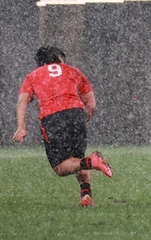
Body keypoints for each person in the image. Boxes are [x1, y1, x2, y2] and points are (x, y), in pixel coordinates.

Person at [13, 46, 113, 207]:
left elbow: (22, 102)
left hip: (52, 116)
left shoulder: (33, 75)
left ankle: (92, 163)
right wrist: (82, 118)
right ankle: (86, 196)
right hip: (76, 111)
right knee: (78, 159)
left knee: (60, 167)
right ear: (59, 58)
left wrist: (21, 127)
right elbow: (92, 104)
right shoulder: (73, 71)